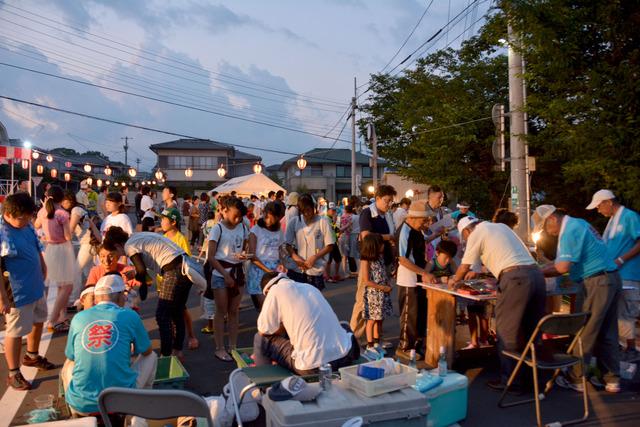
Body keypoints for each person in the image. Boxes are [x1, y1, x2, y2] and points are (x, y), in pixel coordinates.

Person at [451, 216, 545, 391]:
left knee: (508, 332)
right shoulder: (500, 226)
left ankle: (511, 381)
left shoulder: (477, 233)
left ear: (466, 231)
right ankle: (535, 379)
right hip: (537, 276)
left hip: (515, 278)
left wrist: (454, 280)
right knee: (532, 330)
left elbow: (465, 266)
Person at [534, 205, 622, 393]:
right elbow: (563, 262)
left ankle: (576, 378)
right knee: (608, 331)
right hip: (610, 278)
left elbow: (563, 267)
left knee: (585, 330)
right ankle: (612, 378)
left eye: (545, 228)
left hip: (596, 282)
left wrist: (536, 273)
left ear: (552, 219)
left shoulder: (569, 230)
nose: (548, 233)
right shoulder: (579, 223)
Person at [61, 275, 157, 416]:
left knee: (69, 362)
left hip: (82, 406)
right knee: (152, 356)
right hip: (122, 402)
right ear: (119, 297)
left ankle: (74, 414)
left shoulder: (78, 317)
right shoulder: (129, 315)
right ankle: (141, 410)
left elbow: (71, 355)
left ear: (96, 298)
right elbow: (147, 351)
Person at [103, 227, 191, 359]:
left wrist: (139, 278)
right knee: (176, 311)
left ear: (117, 245)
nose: (119, 256)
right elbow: (144, 266)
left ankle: (166, 356)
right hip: (186, 267)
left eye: (115, 253)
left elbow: (142, 271)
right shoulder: (137, 236)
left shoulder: (129, 246)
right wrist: (138, 274)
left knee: (162, 315)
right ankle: (177, 351)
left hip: (173, 270)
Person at [253, 272, 360, 375]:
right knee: (343, 326)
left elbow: (263, 330)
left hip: (313, 366)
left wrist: (281, 328)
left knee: (260, 339)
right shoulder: (309, 287)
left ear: (267, 291)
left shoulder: (275, 290)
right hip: (345, 356)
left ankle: (264, 385)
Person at [0, 193, 55, 390]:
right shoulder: (1, 231)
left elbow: (34, 246)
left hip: (35, 285)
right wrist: (2, 298)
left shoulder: (26, 225)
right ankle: (13, 373)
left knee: (38, 321)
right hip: (16, 290)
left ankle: (32, 356)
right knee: (14, 332)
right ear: (9, 214)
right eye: (23, 217)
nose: (26, 221)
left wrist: (42, 265)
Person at [587, 189, 640, 360]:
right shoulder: (612, 220)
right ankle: (624, 349)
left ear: (609, 202)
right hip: (616, 274)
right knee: (617, 313)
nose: (598, 210)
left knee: (625, 312)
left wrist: (622, 260)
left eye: (599, 206)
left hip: (629, 273)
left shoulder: (629, 217)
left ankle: (630, 350)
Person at [350, 185, 396, 341]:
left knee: (381, 305)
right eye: (386, 200)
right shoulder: (367, 212)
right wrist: (387, 237)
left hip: (384, 262)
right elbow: (365, 235)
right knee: (362, 301)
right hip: (370, 261)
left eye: (391, 201)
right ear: (377, 198)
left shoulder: (387, 215)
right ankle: (353, 337)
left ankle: (377, 337)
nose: (389, 204)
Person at [207, 197, 249, 361]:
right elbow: (211, 257)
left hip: (238, 273)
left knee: (234, 311)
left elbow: (245, 248)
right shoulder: (217, 229)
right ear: (225, 210)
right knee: (221, 311)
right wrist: (225, 275)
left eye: (240, 216)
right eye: (235, 215)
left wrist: (244, 254)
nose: (238, 219)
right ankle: (219, 348)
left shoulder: (243, 227)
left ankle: (233, 347)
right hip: (220, 274)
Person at [395, 200, 437, 359]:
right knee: (409, 315)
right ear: (413, 217)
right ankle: (404, 347)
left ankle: (416, 344)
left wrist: (427, 271)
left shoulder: (417, 231)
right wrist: (425, 273)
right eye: (423, 220)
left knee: (419, 314)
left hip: (418, 278)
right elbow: (403, 259)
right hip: (407, 279)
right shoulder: (404, 231)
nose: (425, 224)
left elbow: (419, 255)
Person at [35, 185, 79, 333]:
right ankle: (53, 320)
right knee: (67, 286)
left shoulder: (42, 211)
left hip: (50, 249)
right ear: (62, 199)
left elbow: (36, 226)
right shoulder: (62, 214)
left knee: (61, 285)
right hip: (63, 250)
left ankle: (62, 317)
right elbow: (68, 236)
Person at [160, 207, 199, 351]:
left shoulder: (181, 239)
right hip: (162, 281)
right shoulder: (162, 238)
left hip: (177, 283)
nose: (162, 221)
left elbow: (187, 261)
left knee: (181, 310)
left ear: (173, 222)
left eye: (164, 219)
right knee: (167, 313)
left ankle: (190, 335)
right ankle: (174, 338)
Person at [284, 194, 335, 290]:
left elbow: (330, 245)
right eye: (303, 211)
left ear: (314, 207)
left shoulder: (323, 221)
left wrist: (315, 257)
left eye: (309, 210)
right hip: (297, 269)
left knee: (314, 299)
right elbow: (287, 244)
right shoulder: (294, 222)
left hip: (316, 269)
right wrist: (296, 257)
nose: (307, 214)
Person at [62, 191, 101, 301]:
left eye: (64, 201)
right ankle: (94, 295)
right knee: (89, 272)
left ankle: (73, 299)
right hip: (87, 243)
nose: (63, 204)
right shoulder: (75, 209)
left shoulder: (76, 210)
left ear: (70, 200)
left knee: (76, 270)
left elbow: (71, 229)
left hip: (88, 243)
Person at [248, 201, 284, 312]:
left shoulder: (279, 231)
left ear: (278, 217)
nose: (266, 219)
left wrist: (282, 263)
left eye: (269, 217)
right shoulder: (256, 230)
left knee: (276, 307)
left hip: (275, 269)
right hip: (259, 269)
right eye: (265, 216)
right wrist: (268, 271)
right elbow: (252, 256)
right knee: (265, 308)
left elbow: (280, 249)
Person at [360, 233, 392, 358]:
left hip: (382, 292)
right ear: (373, 246)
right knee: (372, 320)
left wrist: (387, 283)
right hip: (374, 293)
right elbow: (366, 280)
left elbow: (383, 272)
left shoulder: (379, 257)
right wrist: (383, 287)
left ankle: (377, 343)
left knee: (380, 319)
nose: (383, 246)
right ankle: (370, 344)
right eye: (381, 244)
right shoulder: (366, 260)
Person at [325, 204, 343, 282]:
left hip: (334, 241)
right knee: (328, 261)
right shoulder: (325, 219)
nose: (334, 212)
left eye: (335, 210)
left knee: (338, 259)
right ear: (328, 210)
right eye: (332, 210)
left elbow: (336, 230)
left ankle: (336, 275)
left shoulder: (331, 219)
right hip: (328, 242)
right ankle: (328, 277)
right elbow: (330, 230)